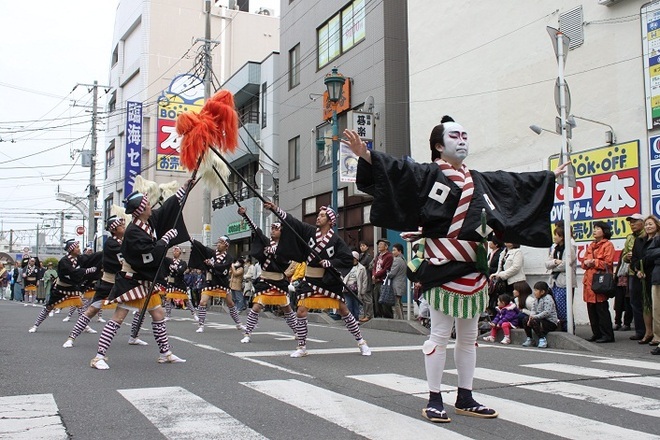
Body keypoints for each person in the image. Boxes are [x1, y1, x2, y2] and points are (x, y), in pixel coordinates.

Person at [345, 116, 566, 423]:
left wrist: (548, 178)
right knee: (438, 334)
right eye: (455, 136)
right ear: (438, 145)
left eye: (465, 135)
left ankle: (465, 395)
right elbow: (399, 170)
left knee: (468, 336)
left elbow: (511, 184)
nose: (463, 140)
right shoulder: (427, 174)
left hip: (473, 268)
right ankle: (435, 398)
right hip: (440, 266)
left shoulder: (479, 179)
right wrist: (366, 155)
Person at [90, 187, 190, 370]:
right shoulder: (134, 231)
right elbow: (147, 256)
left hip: (144, 281)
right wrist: (164, 240)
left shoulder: (147, 221)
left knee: (158, 315)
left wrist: (183, 191)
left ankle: (165, 353)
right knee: (118, 317)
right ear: (141, 209)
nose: (151, 207)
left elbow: (165, 209)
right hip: (132, 280)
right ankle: (98, 357)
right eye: (148, 204)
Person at [264, 201, 371, 358]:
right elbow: (293, 222)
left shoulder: (336, 240)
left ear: (330, 221)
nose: (318, 218)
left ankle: (361, 342)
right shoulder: (310, 232)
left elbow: (347, 258)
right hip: (309, 280)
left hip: (327, 281)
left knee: (344, 310)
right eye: (319, 215)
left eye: (322, 216)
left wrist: (331, 263)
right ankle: (302, 346)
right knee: (301, 311)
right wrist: (276, 209)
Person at [62, 216, 148, 348]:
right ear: (114, 230)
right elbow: (125, 258)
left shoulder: (122, 241)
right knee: (92, 310)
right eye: (122, 226)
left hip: (125, 282)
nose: (124, 228)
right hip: (108, 283)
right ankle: (72, 337)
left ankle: (134, 336)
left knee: (140, 308)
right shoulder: (111, 244)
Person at [236, 206, 298, 343]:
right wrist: (245, 216)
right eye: (272, 228)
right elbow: (256, 229)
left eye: (276, 229)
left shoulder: (286, 246)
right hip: (265, 280)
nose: (273, 231)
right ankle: (248, 333)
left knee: (287, 308)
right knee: (256, 306)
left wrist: (275, 251)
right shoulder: (265, 242)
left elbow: (286, 261)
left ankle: (297, 331)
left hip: (279, 281)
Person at [28, 240, 101, 333]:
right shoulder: (64, 261)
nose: (79, 249)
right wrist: (87, 270)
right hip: (61, 288)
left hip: (73, 287)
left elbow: (91, 258)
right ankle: (35, 325)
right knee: (49, 307)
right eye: (77, 247)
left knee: (81, 307)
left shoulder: (79, 258)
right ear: (71, 250)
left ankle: (85, 326)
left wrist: (103, 253)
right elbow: (72, 272)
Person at [189, 235, 245, 333]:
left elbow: (223, 269)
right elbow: (202, 248)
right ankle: (201, 325)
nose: (218, 244)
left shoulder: (229, 258)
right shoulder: (211, 253)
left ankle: (238, 323)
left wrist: (212, 265)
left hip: (222, 283)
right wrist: (192, 240)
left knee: (231, 304)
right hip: (210, 282)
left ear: (226, 246)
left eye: (221, 243)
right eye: (218, 242)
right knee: (203, 302)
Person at [581, 221, 616, 343]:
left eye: (597, 228)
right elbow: (584, 262)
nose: (595, 230)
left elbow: (608, 262)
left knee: (601, 309)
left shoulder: (608, 245)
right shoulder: (591, 245)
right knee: (591, 309)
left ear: (604, 231)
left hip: (600, 281)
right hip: (589, 281)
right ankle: (596, 333)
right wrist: (587, 263)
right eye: (594, 228)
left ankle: (607, 335)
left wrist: (594, 262)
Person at [631, 215, 659, 345]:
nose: (648, 227)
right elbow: (634, 259)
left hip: (654, 274)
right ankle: (648, 332)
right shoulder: (639, 241)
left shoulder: (658, 239)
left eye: (650, 224)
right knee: (645, 305)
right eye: (647, 224)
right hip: (641, 276)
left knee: (656, 307)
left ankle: (656, 335)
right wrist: (638, 270)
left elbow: (652, 257)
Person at [545, 222, 576, 331]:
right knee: (557, 307)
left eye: (556, 235)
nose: (554, 237)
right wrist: (555, 261)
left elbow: (565, 265)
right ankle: (561, 328)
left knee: (565, 308)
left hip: (565, 282)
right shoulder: (555, 249)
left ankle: (569, 329)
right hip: (554, 282)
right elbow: (547, 263)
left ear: (562, 237)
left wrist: (553, 266)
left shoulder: (569, 248)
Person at [624, 214, 646, 340]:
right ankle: (640, 331)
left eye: (635, 222)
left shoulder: (647, 236)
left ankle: (652, 331)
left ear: (642, 223)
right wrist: (627, 257)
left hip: (645, 272)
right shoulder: (629, 238)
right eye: (630, 222)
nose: (632, 224)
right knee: (635, 302)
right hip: (633, 273)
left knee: (648, 302)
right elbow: (624, 255)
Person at [164, 246, 198, 321]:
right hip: (171, 282)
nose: (175, 252)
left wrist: (175, 268)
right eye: (174, 251)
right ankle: (168, 315)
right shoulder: (169, 261)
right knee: (168, 298)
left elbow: (181, 270)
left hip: (180, 283)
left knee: (186, 299)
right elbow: (166, 270)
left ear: (180, 253)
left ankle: (194, 314)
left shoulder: (183, 263)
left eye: (177, 251)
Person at [521, 281, 560, 348]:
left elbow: (547, 312)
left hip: (550, 322)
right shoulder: (536, 299)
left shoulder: (548, 298)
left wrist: (535, 317)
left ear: (542, 292)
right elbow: (533, 309)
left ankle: (542, 339)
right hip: (540, 320)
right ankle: (530, 338)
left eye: (536, 290)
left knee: (534, 321)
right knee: (525, 319)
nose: (534, 292)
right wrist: (531, 316)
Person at [642, 216, 660, 354]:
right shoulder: (656, 239)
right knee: (657, 311)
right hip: (657, 278)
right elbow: (649, 253)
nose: (648, 226)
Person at [343, 251, 368, 320]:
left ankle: (356, 318)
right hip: (347, 288)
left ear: (357, 259)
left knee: (356, 304)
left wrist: (363, 291)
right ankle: (350, 319)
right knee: (349, 304)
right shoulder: (346, 266)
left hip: (356, 289)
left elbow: (364, 280)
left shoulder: (362, 268)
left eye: (353, 258)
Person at [372, 238, 393, 318]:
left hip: (383, 281)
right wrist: (374, 274)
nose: (379, 246)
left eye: (381, 244)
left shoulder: (389, 256)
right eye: (378, 244)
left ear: (386, 246)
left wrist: (376, 275)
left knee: (384, 301)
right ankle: (378, 316)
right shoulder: (378, 256)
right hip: (376, 280)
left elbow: (386, 269)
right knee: (377, 300)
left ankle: (388, 317)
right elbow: (374, 267)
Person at [390, 243, 408, 320]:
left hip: (396, 284)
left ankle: (400, 319)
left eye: (394, 250)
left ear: (399, 251)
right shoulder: (404, 259)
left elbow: (392, 273)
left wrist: (388, 274)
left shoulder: (397, 260)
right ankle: (401, 317)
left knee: (396, 303)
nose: (392, 252)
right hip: (401, 283)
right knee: (399, 302)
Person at [358, 241, 374, 322]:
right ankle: (365, 314)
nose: (362, 247)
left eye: (364, 245)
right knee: (363, 298)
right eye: (361, 246)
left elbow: (367, 268)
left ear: (367, 247)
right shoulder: (360, 256)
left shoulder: (368, 257)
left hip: (367, 278)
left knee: (367, 298)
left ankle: (368, 315)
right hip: (361, 279)